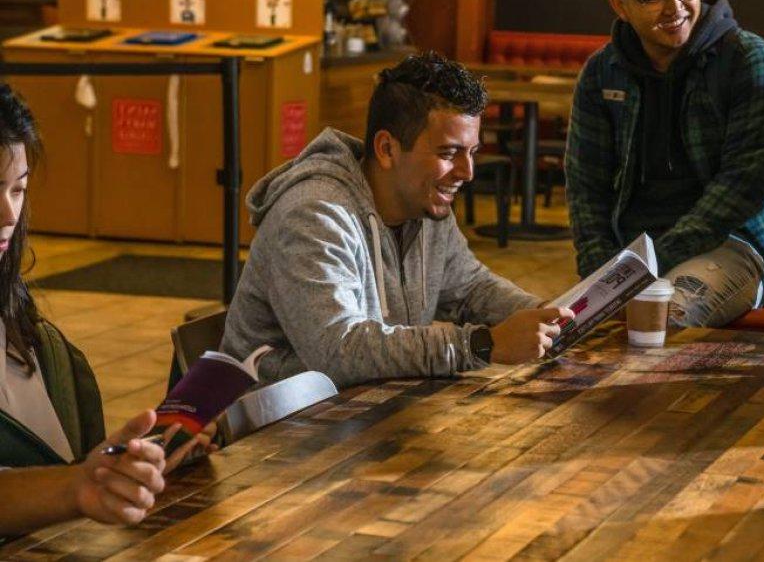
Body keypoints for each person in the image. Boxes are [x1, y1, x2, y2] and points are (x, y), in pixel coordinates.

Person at [222, 52, 572, 388]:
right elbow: (338, 350)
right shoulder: (313, 215)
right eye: (448, 153)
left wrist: (548, 315)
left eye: (472, 152)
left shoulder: (426, 205)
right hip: (266, 426)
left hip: (359, 412)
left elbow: (470, 289)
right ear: (387, 149)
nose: (467, 172)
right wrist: (481, 345)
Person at [567, 0, 764, 328]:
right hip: (634, 254)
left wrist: (650, 264)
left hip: (733, 245)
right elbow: (585, 186)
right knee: (574, 332)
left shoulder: (749, 60)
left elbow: (741, 188)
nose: (675, 7)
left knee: (663, 318)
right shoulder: (601, 72)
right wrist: (602, 273)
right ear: (620, 5)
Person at [0, 85, 210, 536]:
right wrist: (77, 487)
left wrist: (137, 462)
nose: (8, 213)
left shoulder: (29, 330)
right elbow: (66, 480)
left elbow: (65, 462)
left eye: (18, 190)